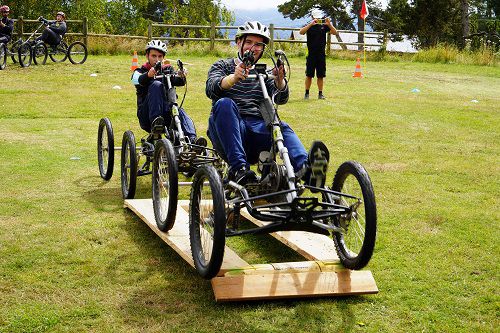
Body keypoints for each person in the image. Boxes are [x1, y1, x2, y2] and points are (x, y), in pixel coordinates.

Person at [206, 20, 329, 187]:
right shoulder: (222, 66)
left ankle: (307, 171)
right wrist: (234, 78)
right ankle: (239, 169)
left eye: (258, 44)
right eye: (249, 42)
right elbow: (211, 88)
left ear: (263, 49)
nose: (253, 48)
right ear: (238, 43)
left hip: (257, 128)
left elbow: (281, 98)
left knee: (281, 127)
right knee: (225, 104)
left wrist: (280, 81)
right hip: (228, 129)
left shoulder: (265, 72)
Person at [131, 39, 198, 143]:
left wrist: (181, 75)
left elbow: (178, 81)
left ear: (163, 57)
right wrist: (149, 75)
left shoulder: (168, 70)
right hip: (147, 115)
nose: (157, 59)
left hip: (167, 113)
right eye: (153, 56)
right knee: (156, 85)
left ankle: (193, 140)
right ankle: (156, 122)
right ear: (147, 56)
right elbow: (135, 80)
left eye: (160, 56)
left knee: (180, 111)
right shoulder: (141, 71)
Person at [299, 8, 337, 100]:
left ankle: (320, 93)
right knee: (309, 75)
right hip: (311, 54)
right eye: (316, 18)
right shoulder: (309, 26)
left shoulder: (324, 26)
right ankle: (306, 93)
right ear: (312, 17)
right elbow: (301, 32)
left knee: (320, 75)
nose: (318, 19)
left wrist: (329, 24)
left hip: (321, 55)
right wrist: (311, 24)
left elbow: (335, 32)